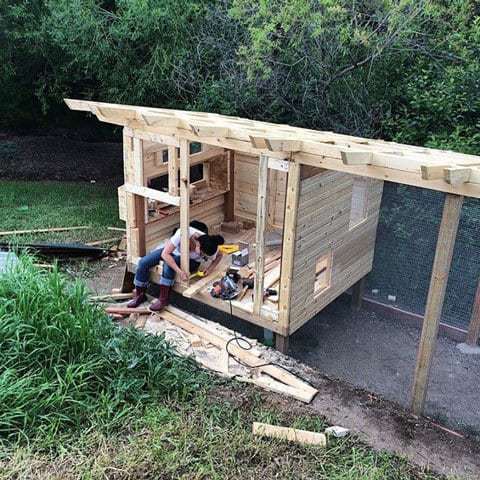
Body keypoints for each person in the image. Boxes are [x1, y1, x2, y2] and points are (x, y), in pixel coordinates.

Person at [128, 221, 224, 311]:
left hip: (192, 261)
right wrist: (180, 272)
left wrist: (210, 269)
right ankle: (139, 295)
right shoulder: (182, 233)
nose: (202, 256)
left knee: (168, 265)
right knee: (143, 262)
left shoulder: (210, 245)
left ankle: (163, 299)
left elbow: (220, 255)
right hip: (174, 252)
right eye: (202, 253)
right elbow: (165, 254)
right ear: (198, 244)